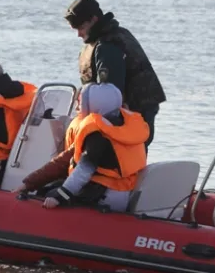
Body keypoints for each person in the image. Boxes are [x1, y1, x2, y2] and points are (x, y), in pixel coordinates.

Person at [16, 83, 149, 212]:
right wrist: (30, 183)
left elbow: (84, 170)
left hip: (103, 195)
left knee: (49, 194)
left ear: (94, 104)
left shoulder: (97, 134)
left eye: (81, 102)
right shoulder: (123, 126)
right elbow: (66, 159)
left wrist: (61, 195)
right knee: (50, 188)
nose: (78, 107)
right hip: (120, 193)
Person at [63, 0, 166, 150]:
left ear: (94, 20)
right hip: (138, 113)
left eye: (81, 27)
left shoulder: (108, 46)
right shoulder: (116, 35)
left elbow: (110, 95)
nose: (78, 34)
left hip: (133, 115)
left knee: (124, 157)